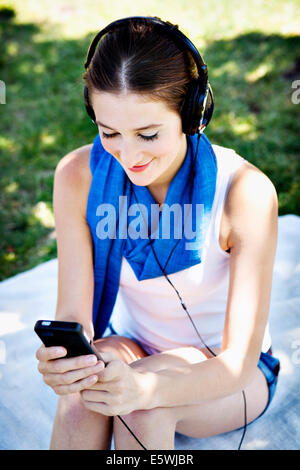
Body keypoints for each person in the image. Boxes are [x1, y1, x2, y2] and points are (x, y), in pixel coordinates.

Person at [35, 17, 280, 450]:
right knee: (82, 395)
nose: (128, 156)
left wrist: (146, 389)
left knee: (140, 409)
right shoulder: (79, 176)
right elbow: (74, 312)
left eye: (148, 134)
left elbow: (237, 364)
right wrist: (65, 363)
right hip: (134, 346)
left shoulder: (245, 193)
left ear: (192, 114)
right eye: (108, 132)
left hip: (227, 372)